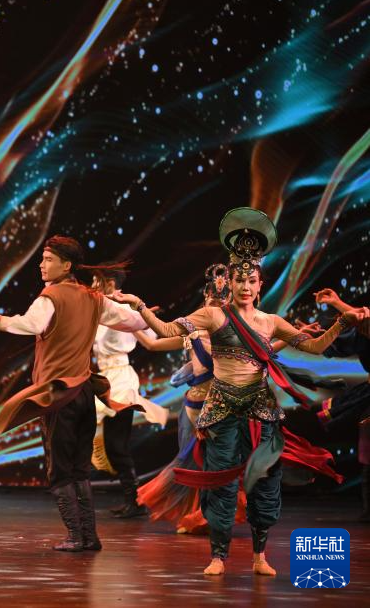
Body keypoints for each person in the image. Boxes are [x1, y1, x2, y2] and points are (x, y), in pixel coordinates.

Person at [110, 207, 368, 576]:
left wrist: (341, 322)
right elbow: (166, 331)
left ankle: (260, 556)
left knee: (264, 482)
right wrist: (138, 306)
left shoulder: (271, 322)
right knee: (220, 481)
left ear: (260, 285)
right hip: (221, 409)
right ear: (229, 283)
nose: (245, 286)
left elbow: (313, 346)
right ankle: (218, 556)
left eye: (252, 281)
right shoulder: (212, 316)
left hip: (261, 410)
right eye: (239, 280)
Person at [0, 236, 149, 553]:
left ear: (66, 265)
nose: (41, 264)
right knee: (79, 469)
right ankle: (89, 537)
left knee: (61, 470)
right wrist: (139, 306)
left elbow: (29, 324)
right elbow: (136, 321)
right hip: (84, 393)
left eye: (48, 259)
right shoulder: (94, 298)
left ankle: (77, 536)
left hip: (59, 395)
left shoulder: (51, 296)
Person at [135, 265, 342, 534]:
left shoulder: (236, 332)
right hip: (192, 409)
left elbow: (262, 351)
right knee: (193, 463)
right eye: (210, 303)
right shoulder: (193, 334)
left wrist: (296, 336)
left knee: (221, 466)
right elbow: (155, 341)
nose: (214, 308)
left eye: (219, 303)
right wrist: (134, 318)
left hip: (220, 406)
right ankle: (200, 517)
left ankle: (215, 522)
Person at [89, 267, 168, 518]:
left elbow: (150, 339)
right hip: (104, 378)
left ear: (110, 283)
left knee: (116, 443)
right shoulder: (100, 310)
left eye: (97, 281)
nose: (93, 286)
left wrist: (142, 316)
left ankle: (134, 500)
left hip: (121, 381)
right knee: (111, 444)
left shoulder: (124, 310)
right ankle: (132, 499)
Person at [311, 287, 370, 520]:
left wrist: (337, 303)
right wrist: (314, 336)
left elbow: (363, 319)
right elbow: (359, 322)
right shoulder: (362, 331)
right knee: (368, 458)